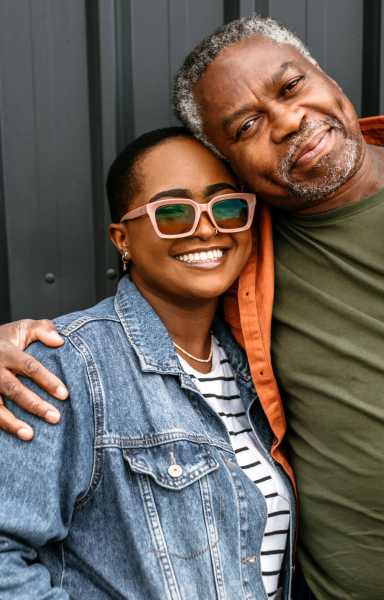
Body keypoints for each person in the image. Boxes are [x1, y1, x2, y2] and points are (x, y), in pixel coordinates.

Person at [0, 16, 384, 600]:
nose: (288, 121)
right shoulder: (243, 251)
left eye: (291, 87)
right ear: (235, 163)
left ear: (326, 76)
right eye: (247, 125)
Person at [0, 126, 295, 599]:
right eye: (173, 212)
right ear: (123, 239)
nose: (206, 227)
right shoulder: (67, 367)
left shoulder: (257, 367)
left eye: (226, 206)